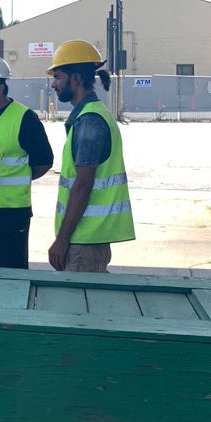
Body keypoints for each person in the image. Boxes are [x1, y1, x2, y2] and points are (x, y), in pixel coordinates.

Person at [47, 40, 135, 273]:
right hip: (86, 238)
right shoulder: (90, 116)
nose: (53, 85)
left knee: (77, 308)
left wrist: (62, 239)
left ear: (75, 78)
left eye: (58, 77)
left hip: (83, 241)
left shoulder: (89, 121)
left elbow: (83, 185)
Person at [0, 55, 53, 269]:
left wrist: (19, 176)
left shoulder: (25, 118)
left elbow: (43, 162)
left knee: (11, 271)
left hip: (12, 212)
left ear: (0, 86)